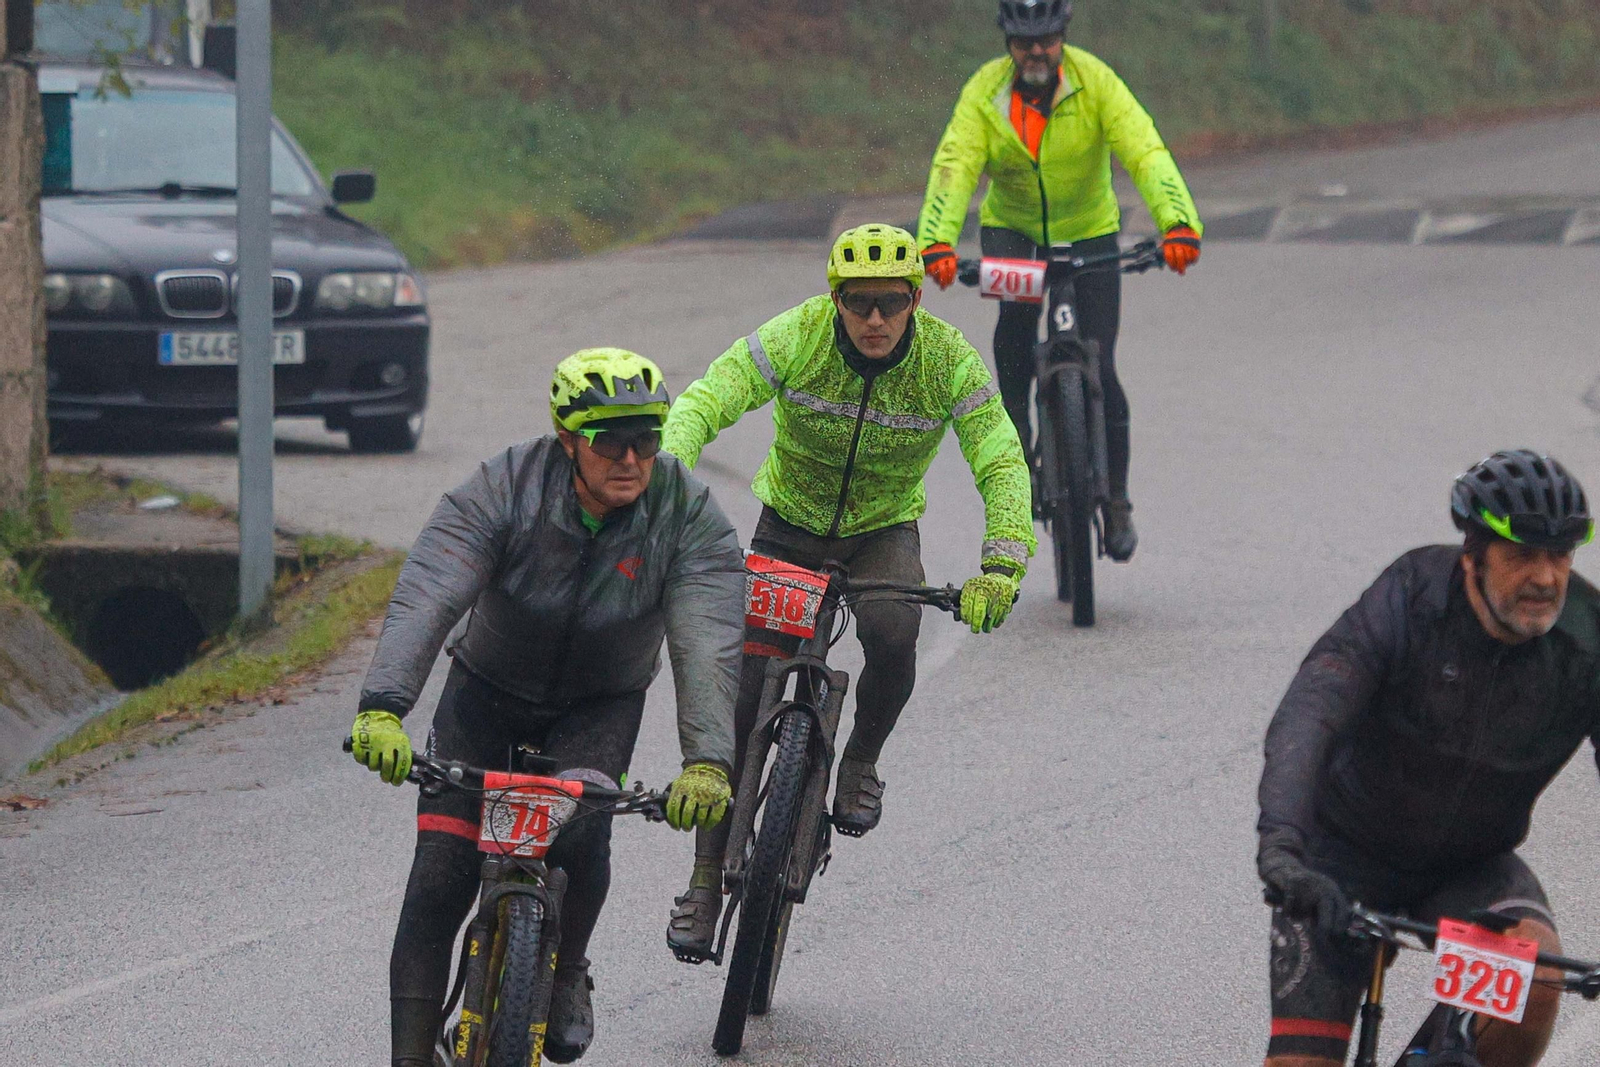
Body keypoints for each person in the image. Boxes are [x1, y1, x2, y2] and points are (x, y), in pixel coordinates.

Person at [348, 348, 743, 1065]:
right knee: (440, 875)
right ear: (567, 438)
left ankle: (567, 970)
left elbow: (708, 638)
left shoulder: (685, 511)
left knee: (584, 835)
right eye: (609, 440)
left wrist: (707, 761)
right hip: (485, 692)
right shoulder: (505, 486)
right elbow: (432, 586)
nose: (630, 457)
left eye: (647, 439)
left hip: (600, 703)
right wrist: (383, 705)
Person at [659, 223, 1036, 962]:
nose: (873, 319)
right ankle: (705, 880)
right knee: (739, 707)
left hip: (881, 531)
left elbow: (1000, 455)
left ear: (913, 301)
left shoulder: (947, 361)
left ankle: (859, 758)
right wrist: (668, 480)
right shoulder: (798, 335)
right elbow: (708, 397)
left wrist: (1002, 563)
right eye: (858, 303)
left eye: (889, 303)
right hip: (789, 528)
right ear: (834, 299)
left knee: (894, 634)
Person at [1255, 449, 1600, 1067]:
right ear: (1472, 554)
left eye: (1561, 555)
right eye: (1523, 554)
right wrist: (1283, 848)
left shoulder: (1587, 639)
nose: (1547, 578)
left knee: (1534, 978)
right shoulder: (1409, 600)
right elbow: (1311, 713)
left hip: (1469, 870)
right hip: (1342, 860)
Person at [917, 0, 1203, 560]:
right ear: (1007, 42)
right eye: (1023, 42)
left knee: (1103, 361)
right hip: (1014, 233)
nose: (1035, 52)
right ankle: (1020, 445)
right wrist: (937, 241)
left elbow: (1144, 149)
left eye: (1045, 39)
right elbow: (955, 165)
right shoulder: (985, 92)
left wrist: (1178, 223)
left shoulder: (1095, 82)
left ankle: (1116, 500)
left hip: (1090, 232)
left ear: (1063, 35)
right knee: (1017, 328)